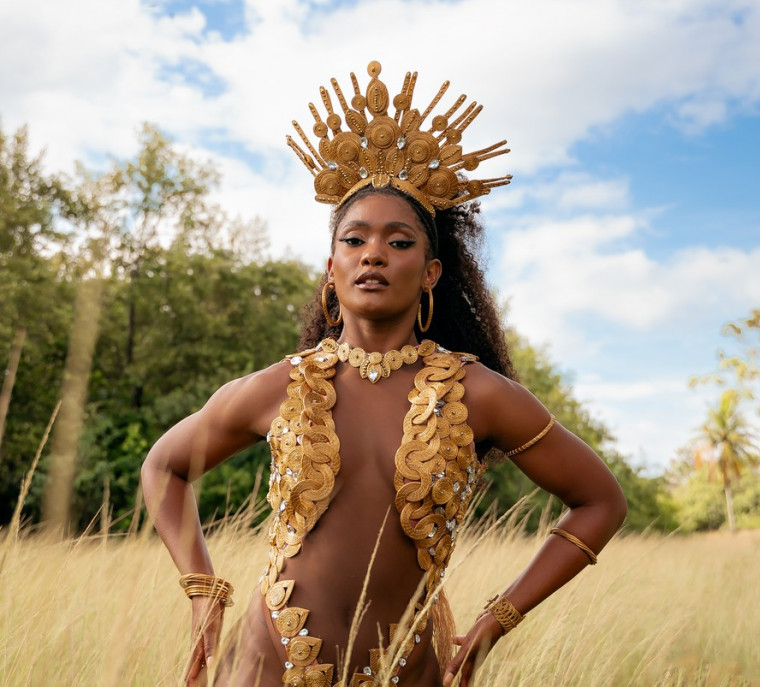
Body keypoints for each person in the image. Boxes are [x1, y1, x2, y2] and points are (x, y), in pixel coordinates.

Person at [141, 61, 627, 687]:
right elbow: (165, 466)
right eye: (354, 240)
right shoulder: (279, 388)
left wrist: (494, 622)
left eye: (399, 243)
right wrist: (203, 590)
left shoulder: (479, 395)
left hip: (411, 669)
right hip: (265, 663)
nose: (374, 253)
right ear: (332, 268)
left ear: (431, 273)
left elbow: (601, 502)